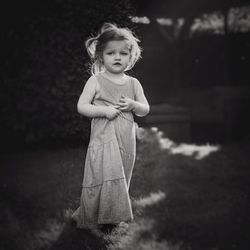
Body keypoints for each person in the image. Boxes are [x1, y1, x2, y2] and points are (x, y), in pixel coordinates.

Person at [71, 23, 150, 232]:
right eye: (111, 53)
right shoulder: (95, 80)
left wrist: (133, 105)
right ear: (100, 56)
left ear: (131, 56)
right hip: (103, 138)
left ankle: (112, 215)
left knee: (121, 174)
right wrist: (104, 112)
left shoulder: (133, 83)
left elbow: (145, 109)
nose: (117, 57)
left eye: (123, 53)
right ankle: (89, 212)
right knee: (100, 175)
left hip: (125, 140)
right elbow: (82, 106)